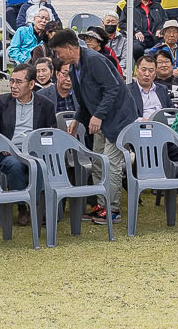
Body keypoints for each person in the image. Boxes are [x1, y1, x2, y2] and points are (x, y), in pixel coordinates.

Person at [51, 26, 138, 223]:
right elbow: (84, 98)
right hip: (101, 119)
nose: (56, 56)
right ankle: (102, 204)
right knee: (98, 161)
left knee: (112, 162)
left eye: (58, 51)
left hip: (119, 118)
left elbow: (113, 88)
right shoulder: (74, 68)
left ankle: (113, 210)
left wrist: (98, 115)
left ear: (69, 48)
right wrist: (76, 118)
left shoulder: (94, 60)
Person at [0, 62, 56, 195]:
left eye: (18, 82)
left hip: (34, 151)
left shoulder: (46, 105)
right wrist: (3, 145)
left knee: (40, 163)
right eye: (12, 81)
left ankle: (35, 206)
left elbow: (50, 133)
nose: (13, 86)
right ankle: (22, 206)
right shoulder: (2, 101)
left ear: (31, 84)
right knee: (15, 165)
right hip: (8, 152)